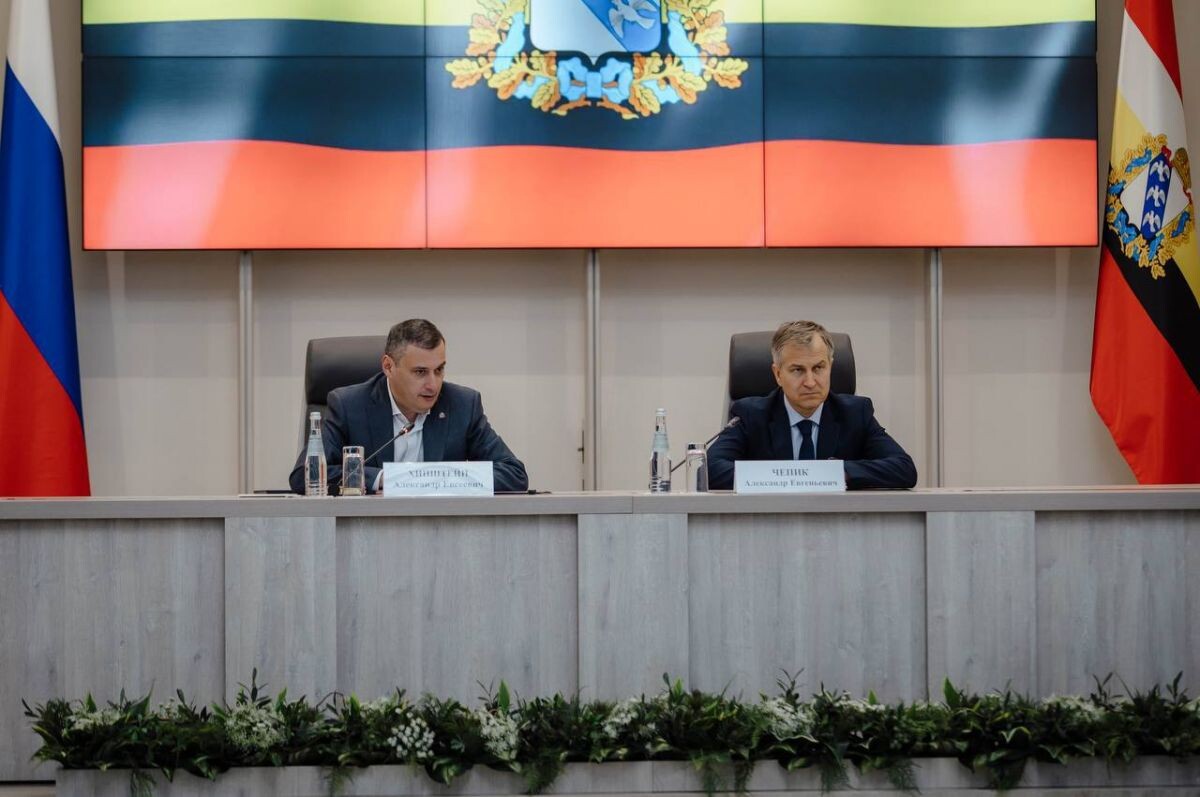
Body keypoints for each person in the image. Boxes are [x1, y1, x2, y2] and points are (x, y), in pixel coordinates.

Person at [289, 319, 528, 494]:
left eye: (439, 370)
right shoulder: (349, 405)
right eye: (420, 372)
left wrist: (439, 478)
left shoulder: (462, 405)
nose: (433, 385)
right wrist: (384, 479)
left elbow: (514, 474)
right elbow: (304, 475)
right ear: (388, 367)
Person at [707, 320, 917, 490]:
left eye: (818, 368)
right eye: (798, 370)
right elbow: (709, 470)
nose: (810, 382)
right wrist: (787, 477)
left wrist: (838, 472)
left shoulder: (855, 413)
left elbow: (904, 468)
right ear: (778, 374)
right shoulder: (751, 415)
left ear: (830, 367)